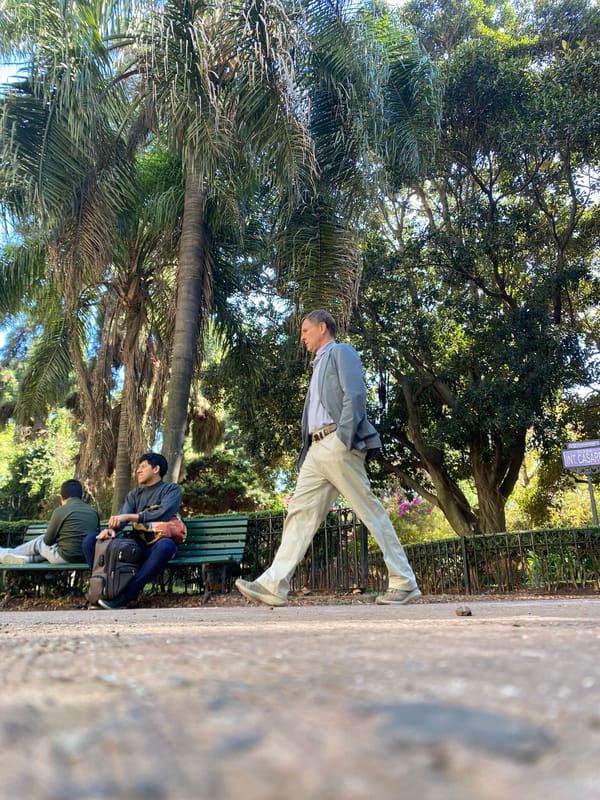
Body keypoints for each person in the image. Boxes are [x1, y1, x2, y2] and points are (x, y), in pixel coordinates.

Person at [236, 309, 421, 607]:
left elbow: (356, 394)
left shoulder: (340, 353)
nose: (302, 337)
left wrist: (344, 438)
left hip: (336, 442)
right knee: (299, 514)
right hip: (315, 450)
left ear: (323, 328)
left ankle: (404, 581)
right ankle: (274, 584)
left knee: (368, 510)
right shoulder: (317, 364)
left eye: (306, 331)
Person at [82, 452, 182, 610]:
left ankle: (125, 597)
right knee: (91, 540)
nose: (138, 471)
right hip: (134, 546)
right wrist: (110, 530)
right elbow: (120, 520)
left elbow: (162, 513)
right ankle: (102, 590)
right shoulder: (135, 494)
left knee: (167, 546)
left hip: (155, 546)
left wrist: (129, 517)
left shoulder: (171, 489)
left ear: (156, 469)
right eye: (138, 467)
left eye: (143, 467)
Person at [0, 479, 99, 565]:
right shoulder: (93, 511)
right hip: (87, 557)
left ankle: (7, 553)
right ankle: (27, 559)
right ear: (81, 496)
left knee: (40, 542)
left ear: (61, 497)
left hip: (65, 558)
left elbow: (47, 541)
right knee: (50, 550)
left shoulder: (60, 511)